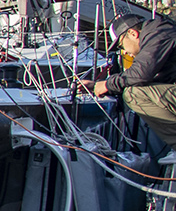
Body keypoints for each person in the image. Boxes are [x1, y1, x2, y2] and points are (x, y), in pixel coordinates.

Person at [73, 12, 176, 147]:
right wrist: (99, 85)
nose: (125, 52)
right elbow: (146, 80)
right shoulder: (162, 33)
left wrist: (107, 85)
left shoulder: (159, 33)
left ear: (133, 34)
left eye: (121, 46)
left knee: (134, 94)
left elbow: (140, 74)